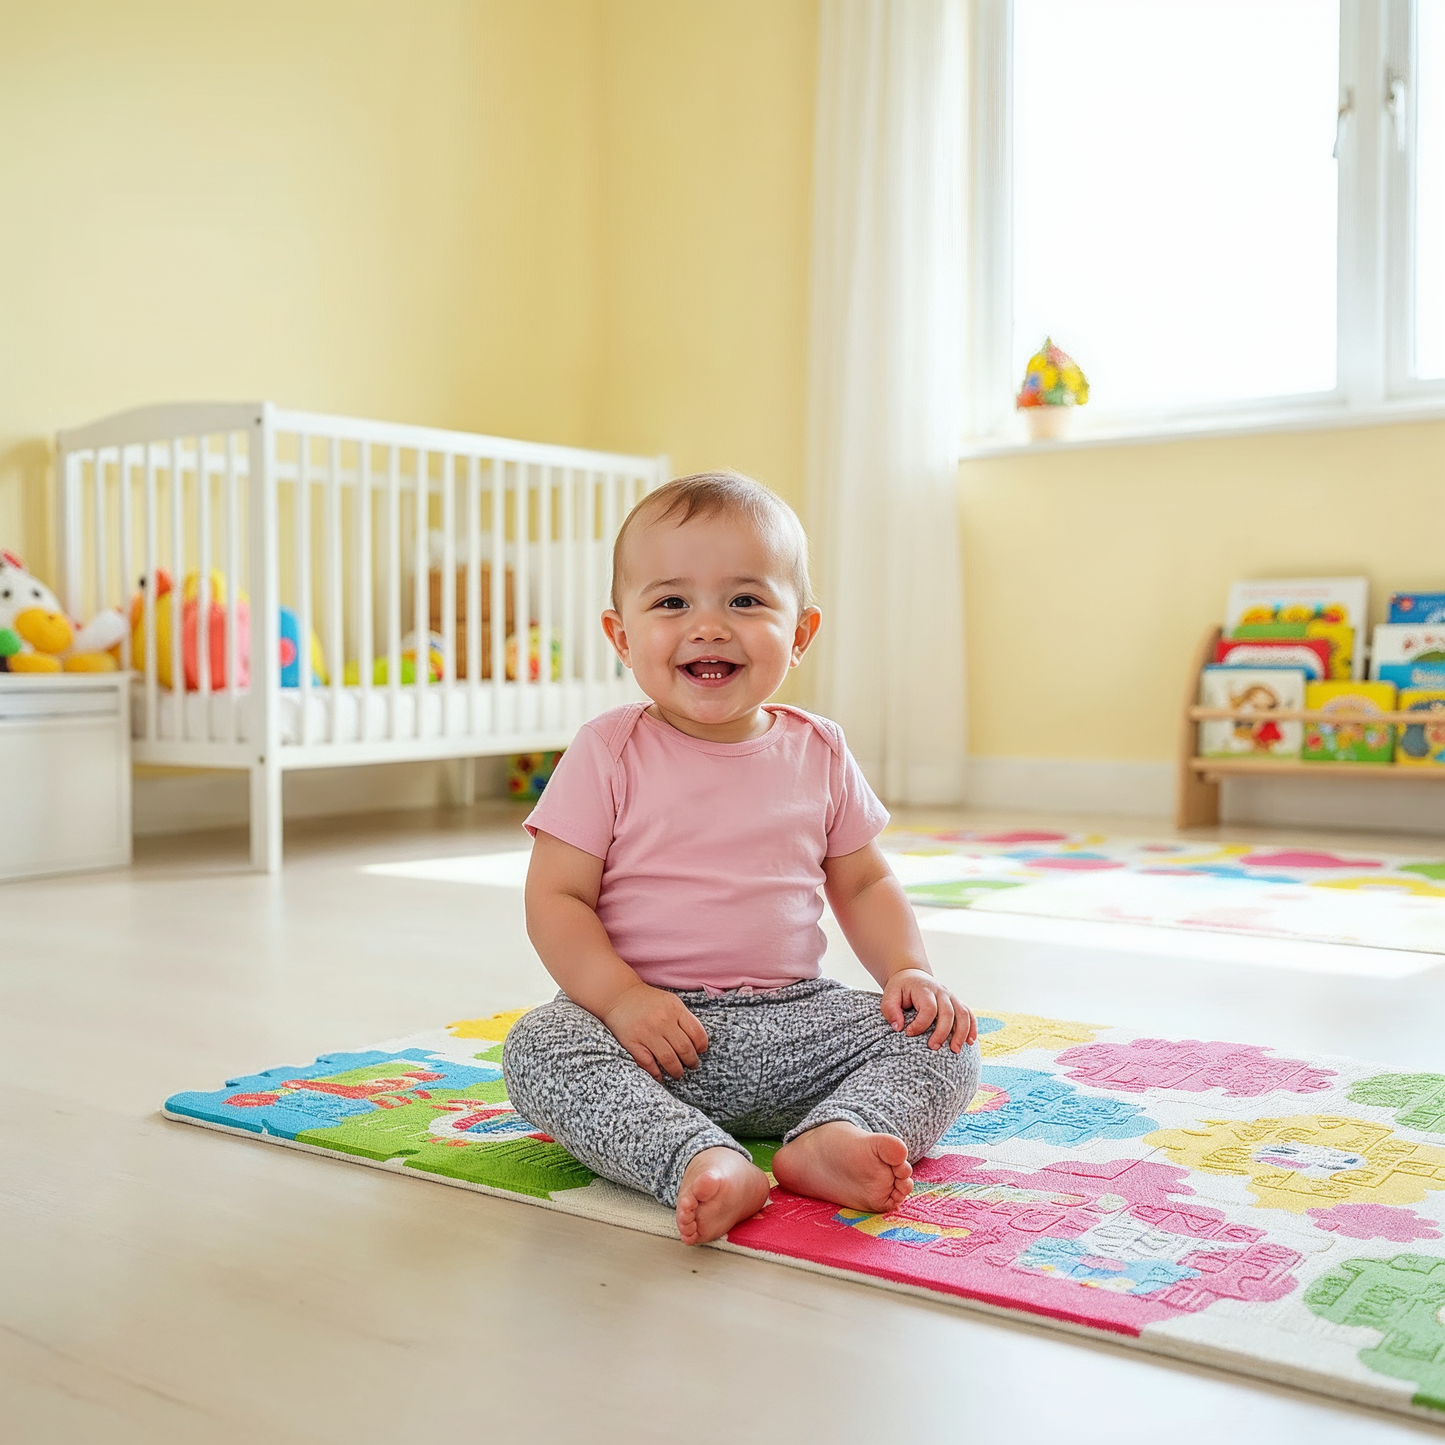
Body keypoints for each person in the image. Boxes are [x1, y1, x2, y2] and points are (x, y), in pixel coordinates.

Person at [503, 471, 979, 1246]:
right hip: (651, 1032)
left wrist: (906, 969)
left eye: (745, 600)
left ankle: (836, 1134)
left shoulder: (819, 747)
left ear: (799, 633)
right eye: (670, 602)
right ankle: (696, 1158)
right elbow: (555, 898)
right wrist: (621, 999)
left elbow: (861, 878)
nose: (709, 626)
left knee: (945, 1039)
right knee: (539, 1049)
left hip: (796, 1022)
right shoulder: (607, 749)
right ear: (621, 636)